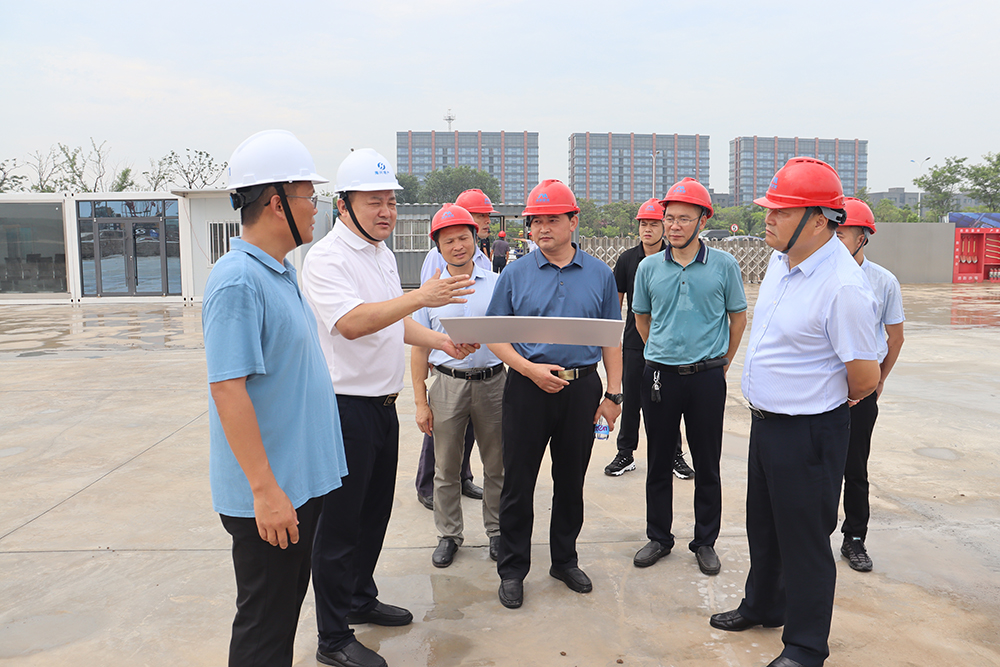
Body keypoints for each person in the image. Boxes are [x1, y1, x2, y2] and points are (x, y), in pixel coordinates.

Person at [301, 148, 477, 667]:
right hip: (344, 409)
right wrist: (421, 297)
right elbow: (353, 322)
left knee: (373, 513)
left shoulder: (380, 254)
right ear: (344, 204)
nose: (386, 211)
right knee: (339, 525)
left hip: (381, 406)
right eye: (374, 201)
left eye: (391, 202)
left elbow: (392, 321)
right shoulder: (327, 258)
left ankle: (360, 597)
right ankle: (332, 636)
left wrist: (441, 343)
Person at [710, 158, 880, 667]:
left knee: (805, 542)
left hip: (809, 432)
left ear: (820, 220)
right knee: (764, 528)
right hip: (767, 425)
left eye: (780, 212)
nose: (767, 219)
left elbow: (864, 377)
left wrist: (815, 403)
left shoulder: (843, 286)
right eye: (769, 209)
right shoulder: (782, 263)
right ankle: (764, 605)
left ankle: (806, 646)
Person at [204, 130, 348, 667]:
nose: (316, 208)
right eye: (309, 196)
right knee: (265, 629)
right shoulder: (238, 281)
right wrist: (265, 491)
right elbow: (228, 388)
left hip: (296, 487)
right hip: (270, 496)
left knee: (281, 617)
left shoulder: (281, 271)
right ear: (275, 202)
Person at [485, 179, 623, 609]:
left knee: (571, 480)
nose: (541, 228)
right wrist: (528, 369)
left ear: (573, 221)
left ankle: (564, 560)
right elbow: (495, 335)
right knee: (518, 482)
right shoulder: (515, 273)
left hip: (581, 390)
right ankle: (512, 569)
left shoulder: (600, 274)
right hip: (527, 388)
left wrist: (613, 395)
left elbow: (610, 340)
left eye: (551, 219)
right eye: (535, 221)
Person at [631, 179, 747, 575]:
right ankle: (658, 537)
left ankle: (705, 541)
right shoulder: (648, 267)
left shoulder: (724, 265)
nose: (674, 226)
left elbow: (737, 318)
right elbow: (642, 319)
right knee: (658, 460)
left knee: (707, 462)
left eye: (684, 218)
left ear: (703, 220)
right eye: (669, 218)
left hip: (707, 378)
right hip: (659, 378)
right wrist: (662, 353)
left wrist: (723, 362)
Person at [412, 203, 506, 568]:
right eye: (448, 240)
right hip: (447, 385)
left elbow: (512, 335)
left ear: (475, 238)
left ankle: (497, 531)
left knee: (496, 465)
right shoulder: (429, 293)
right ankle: (449, 535)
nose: (457, 246)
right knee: (446, 468)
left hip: (493, 384)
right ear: (438, 246)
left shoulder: (497, 284)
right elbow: (419, 348)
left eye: (463, 238)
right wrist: (421, 402)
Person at [835, 197, 905, 573]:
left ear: (862, 237)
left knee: (855, 467)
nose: (834, 239)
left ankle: (855, 538)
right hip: (823, 387)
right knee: (817, 464)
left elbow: (895, 338)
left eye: (842, 233)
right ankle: (813, 533)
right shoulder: (819, 275)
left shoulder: (883, 281)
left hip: (861, 390)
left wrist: (877, 382)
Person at [604, 198, 696, 481]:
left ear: (664, 227)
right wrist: (612, 341)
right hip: (634, 343)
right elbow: (616, 303)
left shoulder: (675, 258)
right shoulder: (627, 260)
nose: (647, 229)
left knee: (669, 402)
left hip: (668, 344)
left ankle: (674, 454)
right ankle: (625, 453)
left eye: (654, 224)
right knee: (632, 401)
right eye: (643, 224)